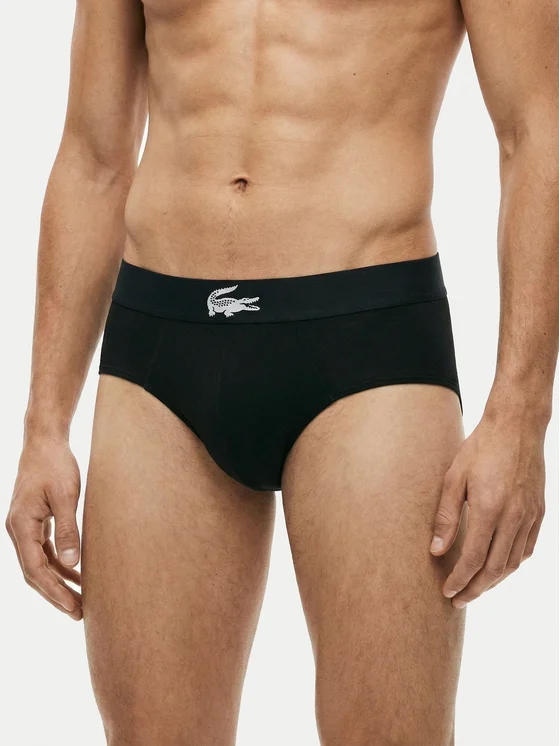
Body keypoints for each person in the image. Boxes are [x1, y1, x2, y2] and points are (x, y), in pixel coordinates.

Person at [6, 0, 558, 744]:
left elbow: (537, 130)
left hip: (367, 344)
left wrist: (522, 415)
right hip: (160, 351)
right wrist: (43, 424)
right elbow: (93, 156)